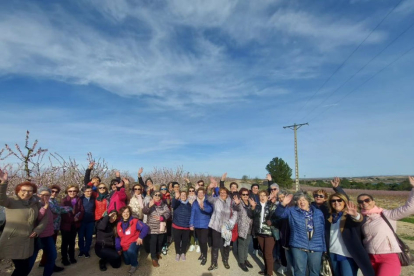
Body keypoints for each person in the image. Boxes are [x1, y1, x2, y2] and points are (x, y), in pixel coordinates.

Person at [357, 176, 414, 276]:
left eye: (367, 200)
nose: (364, 203)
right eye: (360, 202)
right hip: (370, 257)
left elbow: (409, 208)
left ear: (373, 201)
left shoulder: (387, 215)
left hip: (389, 256)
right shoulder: (362, 219)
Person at [0, 168, 47, 276]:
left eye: (30, 191)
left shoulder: (35, 203)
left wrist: (38, 230)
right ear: (18, 191)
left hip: (28, 241)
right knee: (21, 268)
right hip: (13, 240)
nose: (26, 193)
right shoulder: (12, 201)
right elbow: (1, 198)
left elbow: (44, 217)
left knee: (24, 268)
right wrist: (3, 183)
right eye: (23, 190)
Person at [274, 191, 326, 276]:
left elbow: (322, 232)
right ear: (296, 202)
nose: (302, 202)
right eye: (299, 200)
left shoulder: (318, 213)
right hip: (298, 245)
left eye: (304, 200)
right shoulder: (291, 211)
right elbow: (278, 215)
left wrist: (324, 248)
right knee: (299, 271)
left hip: (316, 246)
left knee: (314, 272)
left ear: (309, 201)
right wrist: (283, 204)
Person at [325, 192, 374, 276]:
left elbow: (359, 220)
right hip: (333, 252)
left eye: (339, 200)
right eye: (333, 201)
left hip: (347, 255)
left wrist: (355, 215)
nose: (336, 203)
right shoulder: (331, 218)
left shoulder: (348, 216)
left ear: (344, 202)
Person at [28, 187, 62, 276]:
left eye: (47, 195)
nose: (45, 197)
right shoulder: (35, 204)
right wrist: (45, 207)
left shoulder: (49, 204)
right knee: (31, 260)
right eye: (42, 195)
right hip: (38, 236)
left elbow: (50, 217)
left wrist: (55, 216)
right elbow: (38, 218)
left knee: (52, 255)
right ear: (38, 195)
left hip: (48, 234)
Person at [207, 176, 238, 271]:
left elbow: (236, 213)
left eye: (224, 192)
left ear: (227, 193)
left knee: (226, 245)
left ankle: (225, 261)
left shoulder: (231, 201)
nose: (223, 194)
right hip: (216, 226)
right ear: (219, 193)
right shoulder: (216, 200)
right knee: (215, 246)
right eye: (221, 193)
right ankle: (214, 263)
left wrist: (230, 223)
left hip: (227, 227)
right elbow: (208, 198)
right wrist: (209, 188)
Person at [39, 184, 72, 271]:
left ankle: (43, 262)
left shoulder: (54, 200)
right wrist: (70, 208)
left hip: (55, 226)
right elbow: (57, 210)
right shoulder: (48, 201)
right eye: (52, 191)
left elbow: (58, 208)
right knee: (51, 248)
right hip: (50, 227)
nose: (54, 193)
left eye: (56, 192)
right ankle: (51, 266)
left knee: (49, 247)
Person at [116, 206, 149, 274]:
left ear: (130, 213)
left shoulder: (135, 221)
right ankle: (135, 254)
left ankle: (135, 265)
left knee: (131, 251)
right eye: (124, 212)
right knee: (127, 262)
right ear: (121, 214)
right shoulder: (119, 224)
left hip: (134, 242)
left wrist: (140, 237)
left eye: (127, 212)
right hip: (124, 245)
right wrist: (118, 248)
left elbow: (145, 227)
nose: (126, 214)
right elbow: (117, 237)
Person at [252, 190, 277, 276]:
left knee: (268, 253)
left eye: (264, 195)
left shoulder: (271, 206)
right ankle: (266, 269)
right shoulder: (257, 206)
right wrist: (253, 208)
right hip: (259, 232)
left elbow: (275, 216)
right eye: (260, 195)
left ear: (267, 197)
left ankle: (269, 273)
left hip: (269, 233)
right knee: (263, 252)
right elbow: (253, 217)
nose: (262, 197)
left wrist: (272, 203)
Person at [142, 191, 171, 267]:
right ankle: (153, 258)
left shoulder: (164, 205)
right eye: (156, 195)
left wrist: (162, 217)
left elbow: (168, 212)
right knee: (153, 242)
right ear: (153, 196)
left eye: (159, 195)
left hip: (161, 227)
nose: (157, 196)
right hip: (152, 228)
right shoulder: (150, 203)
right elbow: (144, 211)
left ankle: (157, 253)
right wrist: (149, 206)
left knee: (160, 242)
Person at [60, 184, 84, 266]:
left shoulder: (78, 200)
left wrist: (78, 218)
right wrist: (72, 219)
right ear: (67, 191)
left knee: (72, 242)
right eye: (70, 191)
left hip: (74, 224)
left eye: (74, 191)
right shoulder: (64, 201)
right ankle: (64, 258)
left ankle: (72, 257)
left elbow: (82, 210)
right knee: (65, 243)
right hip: (65, 225)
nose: (72, 192)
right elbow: (63, 214)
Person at [233, 188, 254, 272]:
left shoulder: (250, 202)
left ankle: (245, 259)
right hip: (242, 227)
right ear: (240, 195)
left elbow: (253, 213)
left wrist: (253, 206)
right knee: (241, 245)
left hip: (250, 227)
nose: (245, 196)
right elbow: (235, 208)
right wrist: (237, 204)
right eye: (243, 194)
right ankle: (241, 262)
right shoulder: (239, 203)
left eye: (247, 194)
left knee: (247, 244)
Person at [190, 187, 213, 266]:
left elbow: (210, 210)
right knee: (200, 241)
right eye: (198, 193)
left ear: (204, 193)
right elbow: (192, 214)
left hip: (205, 224)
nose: (200, 194)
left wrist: (203, 208)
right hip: (197, 224)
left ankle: (205, 257)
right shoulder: (195, 202)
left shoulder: (207, 202)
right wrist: (191, 224)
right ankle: (202, 254)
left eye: (201, 193)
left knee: (203, 241)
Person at [172, 190, 192, 261]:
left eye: (184, 195)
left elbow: (191, 215)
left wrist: (191, 224)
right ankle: (177, 253)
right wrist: (175, 198)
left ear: (186, 196)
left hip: (186, 227)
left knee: (185, 240)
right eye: (182, 195)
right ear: (180, 196)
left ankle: (183, 252)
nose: (183, 196)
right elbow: (173, 204)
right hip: (177, 226)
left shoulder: (189, 205)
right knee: (177, 241)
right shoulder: (177, 203)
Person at [78, 186, 95, 258]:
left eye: (90, 191)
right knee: (81, 237)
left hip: (90, 221)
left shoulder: (93, 199)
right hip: (82, 221)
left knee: (89, 237)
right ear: (84, 192)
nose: (89, 192)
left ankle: (86, 250)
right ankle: (81, 250)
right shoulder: (80, 199)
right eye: (87, 191)